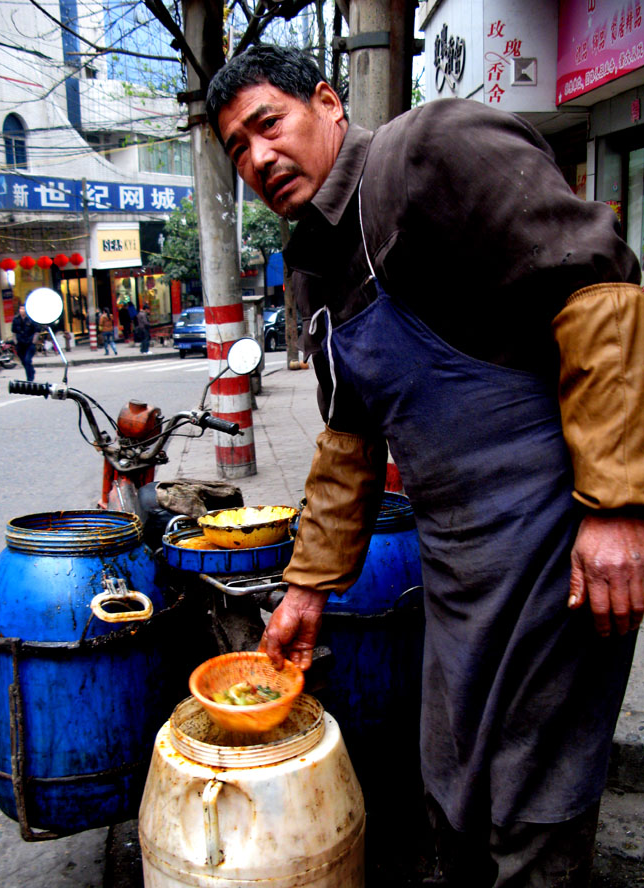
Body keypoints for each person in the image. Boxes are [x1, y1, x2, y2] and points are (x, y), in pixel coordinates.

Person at [207, 46, 644, 887]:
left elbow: (600, 292)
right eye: (238, 149)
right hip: (456, 560)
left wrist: (617, 508)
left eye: (269, 124)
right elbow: (350, 442)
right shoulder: (312, 270)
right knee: (451, 774)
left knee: (532, 787)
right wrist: (305, 591)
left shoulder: (430, 150)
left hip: (558, 543)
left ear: (329, 104)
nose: (259, 158)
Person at [11, 303, 38, 381]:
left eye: (23, 309)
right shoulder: (16, 319)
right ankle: (31, 370)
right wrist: (15, 342)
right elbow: (14, 332)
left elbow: (37, 331)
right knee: (24, 362)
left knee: (27, 360)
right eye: (21, 309)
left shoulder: (31, 319)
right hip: (20, 344)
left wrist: (33, 342)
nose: (22, 311)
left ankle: (30, 378)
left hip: (29, 343)